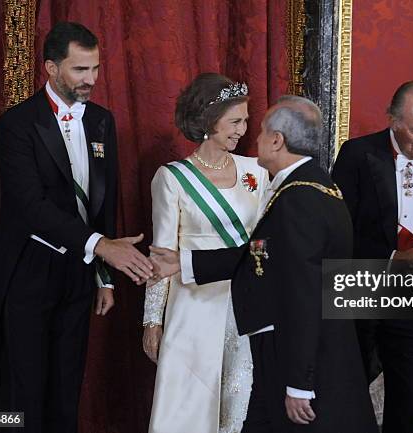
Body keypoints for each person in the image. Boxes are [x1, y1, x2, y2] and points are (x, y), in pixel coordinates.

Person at [149, 96, 377, 433]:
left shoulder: (298, 199)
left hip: (298, 358)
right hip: (293, 350)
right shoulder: (312, 188)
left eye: (259, 131)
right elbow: (262, 252)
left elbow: (304, 294)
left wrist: (299, 382)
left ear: (276, 140)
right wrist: (185, 263)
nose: (252, 138)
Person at [0, 22, 154, 433]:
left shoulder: (102, 121)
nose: (91, 79)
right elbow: (31, 206)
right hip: (29, 273)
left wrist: (104, 278)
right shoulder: (16, 125)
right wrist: (103, 247)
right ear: (50, 67)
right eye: (81, 70)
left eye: (96, 68)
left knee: (66, 389)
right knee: (24, 393)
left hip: (79, 274)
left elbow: (102, 203)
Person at [142, 73, 269, 433]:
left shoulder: (255, 171)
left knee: (239, 401)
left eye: (245, 120)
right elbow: (162, 255)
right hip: (192, 305)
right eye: (235, 121)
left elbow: (265, 243)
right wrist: (152, 321)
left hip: (243, 302)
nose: (243, 129)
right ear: (210, 121)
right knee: (189, 407)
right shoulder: (172, 178)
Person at [331, 81, 413, 433]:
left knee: (407, 398)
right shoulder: (357, 155)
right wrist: (391, 258)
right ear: (393, 121)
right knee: (348, 391)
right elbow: (338, 232)